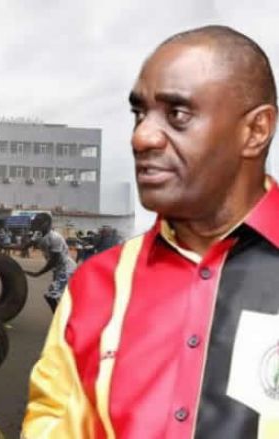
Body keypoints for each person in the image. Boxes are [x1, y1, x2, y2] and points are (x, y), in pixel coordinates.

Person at [22, 25, 279, 439]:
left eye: (178, 114)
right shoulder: (95, 286)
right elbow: (50, 422)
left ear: (255, 130)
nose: (141, 137)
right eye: (140, 113)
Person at [19, 213, 76, 312]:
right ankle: (66, 317)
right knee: (60, 295)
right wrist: (2, 247)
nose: (35, 225)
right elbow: (24, 247)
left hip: (66, 269)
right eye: (35, 222)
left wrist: (38, 273)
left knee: (51, 296)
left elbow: (54, 261)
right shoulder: (38, 234)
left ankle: (60, 321)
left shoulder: (55, 238)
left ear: (47, 223)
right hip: (57, 270)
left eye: (38, 222)